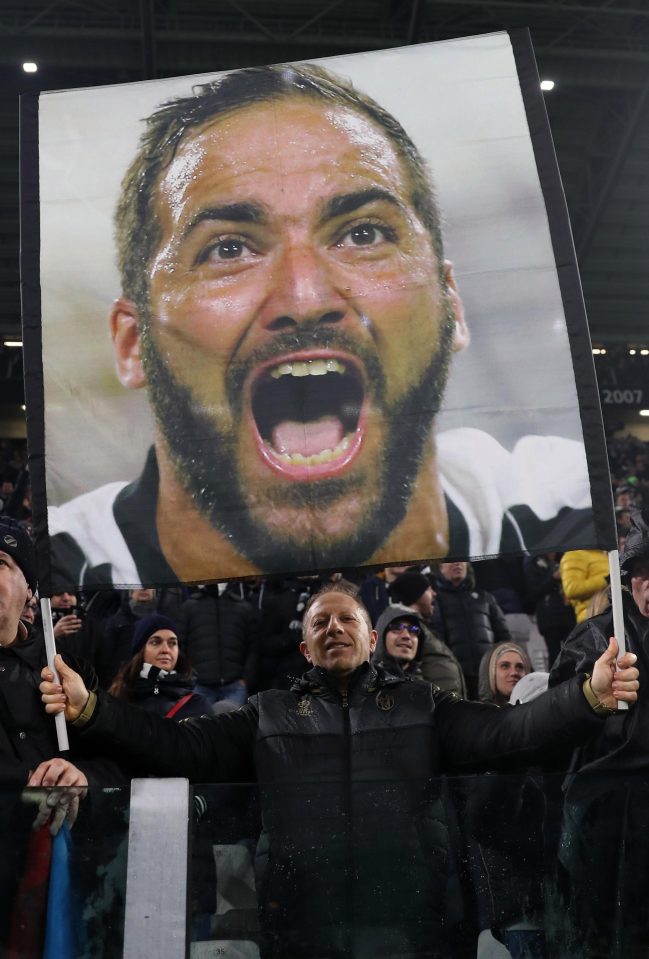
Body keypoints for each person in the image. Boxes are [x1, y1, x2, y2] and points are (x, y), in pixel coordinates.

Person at [47, 61, 595, 587]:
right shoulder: (52, 565)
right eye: (229, 248)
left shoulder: (570, 507)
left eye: (363, 235)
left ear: (451, 304)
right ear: (132, 343)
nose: (304, 298)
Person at [41, 582, 637, 959]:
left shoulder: (423, 704)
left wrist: (588, 694)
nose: (334, 628)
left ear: (372, 637)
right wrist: (91, 708)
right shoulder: (266, 714)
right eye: (320, 623)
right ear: (304, 648)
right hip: (304, 925)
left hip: (416, 925)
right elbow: (173, 746)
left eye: (347, 619)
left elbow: (512, 732)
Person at [548, 509, 649, 955]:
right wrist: (591, 691)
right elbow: (557, 723)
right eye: (643, 576)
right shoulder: (593, 638)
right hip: (605, 805)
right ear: (627, 580)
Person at [107, 614, 214, 719]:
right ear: (140, 651)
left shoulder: (196, 705)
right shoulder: (120, 699)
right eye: (155, 642)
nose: (166, 650)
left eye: (172, 643)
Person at [433, 561, 512, 699]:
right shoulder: (436, 600)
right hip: (457, 677)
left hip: (488, 673)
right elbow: (437, 640)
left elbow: (504, 635)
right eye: (451, 561)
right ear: (440, 568)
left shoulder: (485, 597)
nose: (457, 564)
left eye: (462, 560)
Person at [478, 642, 531, 707]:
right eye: (505, 666)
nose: (514, 672)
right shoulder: (476, 715)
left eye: (520, 667)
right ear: (491, 673)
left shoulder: (536, 713)